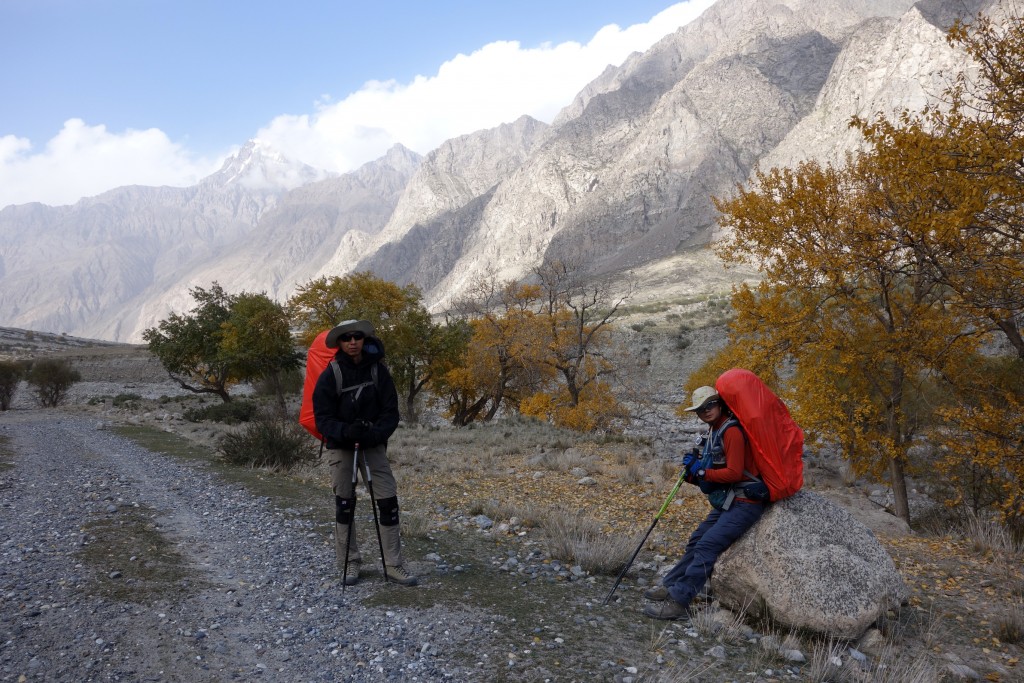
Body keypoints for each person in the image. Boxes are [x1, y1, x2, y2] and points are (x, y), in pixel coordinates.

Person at [643, 385, 767, 620]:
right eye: (700, 409)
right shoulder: (713, 432)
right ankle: (671, 585)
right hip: (729, 501)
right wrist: (692, 474)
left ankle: (680, 602)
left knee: (706, 546)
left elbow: (733, 473)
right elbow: (710, 483)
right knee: (697, 541)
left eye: (709, 405)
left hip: (746, 503)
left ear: (719, 404)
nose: (705, 411)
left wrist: (701, 473)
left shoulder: (731, 432)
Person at [312, 319, 418, 587]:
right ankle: (349, 563)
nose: (352, 342)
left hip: (373, 445)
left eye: (357, 337)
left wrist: (374, 434)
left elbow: (390, 412)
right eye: (346, 338)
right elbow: (322, 418)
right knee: (345, 504)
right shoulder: (331, 374)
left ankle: (393, 564)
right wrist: (346, 432)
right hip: (341, 447)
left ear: (364, 339)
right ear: (339, 342)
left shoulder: (378, 372)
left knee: (387, 501)